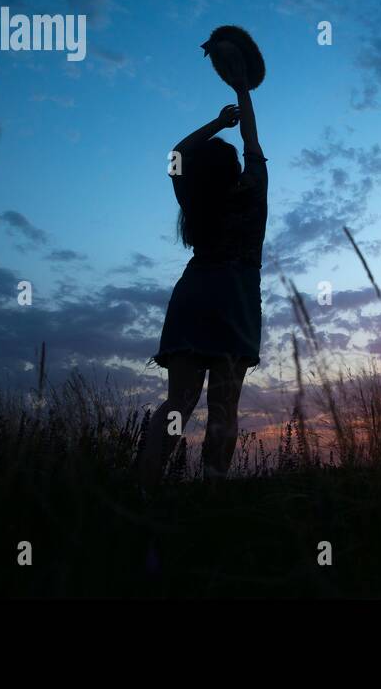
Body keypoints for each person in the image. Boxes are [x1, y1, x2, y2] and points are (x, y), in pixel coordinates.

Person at [138, 28, 267, 488]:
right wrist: (240, 94)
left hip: (192, 296)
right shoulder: (252, 191)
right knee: (224, 406)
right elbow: (253, 141)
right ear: (233, 169)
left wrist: (215, 123)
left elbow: (177, 154)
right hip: (234, 301)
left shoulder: (196, 200)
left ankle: (147, 484)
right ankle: (213, 488)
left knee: (178, 403)